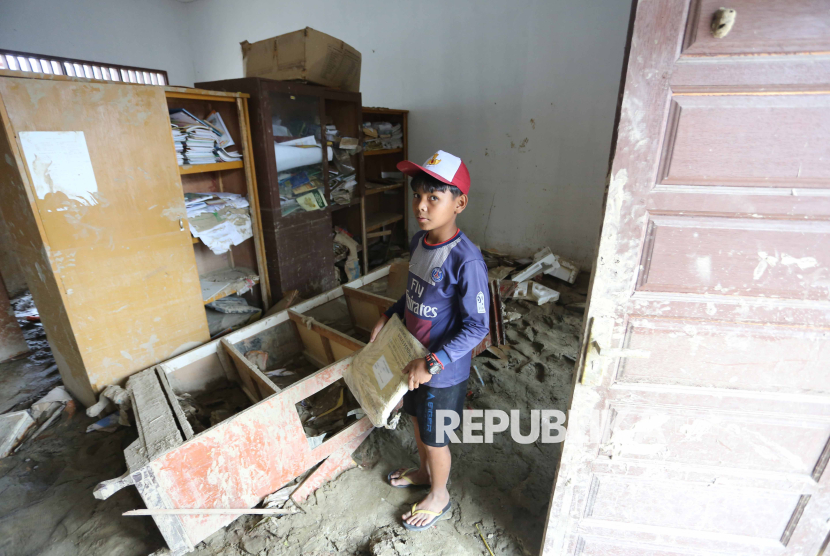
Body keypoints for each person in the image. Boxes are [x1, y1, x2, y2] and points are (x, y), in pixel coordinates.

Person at [369, 149, 490, 531]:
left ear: (460, 203)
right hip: (414, 358)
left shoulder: (465, 261)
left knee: (436, 437)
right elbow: (416, 293)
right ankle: (424, 474)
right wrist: (388, 315)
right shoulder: (419, 242)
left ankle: (440, 494)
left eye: (434, 198)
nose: (421, 206)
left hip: (442, 370)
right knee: (420, 423)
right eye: (417, 196)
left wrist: (432, 362)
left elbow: (477, 327)